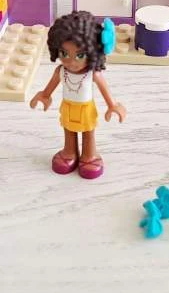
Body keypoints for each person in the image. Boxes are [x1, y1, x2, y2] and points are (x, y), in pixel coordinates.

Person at [30, 12, 126, 179]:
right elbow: (50, 87)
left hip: (86, 108)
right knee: (68, 130)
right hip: (68, 107)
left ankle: (90, 156)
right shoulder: (61, 71)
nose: (71, 61)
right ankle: (69, 153)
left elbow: (104, 89)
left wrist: (112, 106)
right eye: (64, 53)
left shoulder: (92, 74)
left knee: (88, 132)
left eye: (80, 55)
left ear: (93, 52)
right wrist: (44, 96)